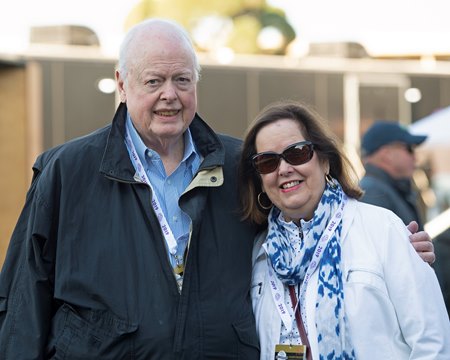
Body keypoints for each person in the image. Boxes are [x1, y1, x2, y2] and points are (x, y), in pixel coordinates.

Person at [0, 19, 435, 359]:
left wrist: (392, 250)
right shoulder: (66, 171)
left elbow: (302, 227)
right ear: (122, 83)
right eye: (154, 81)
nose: (170, 95)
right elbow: (23, 305)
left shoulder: (240, 163)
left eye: (183, 80)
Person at [238, 100, 450, 359]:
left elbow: (433, 342)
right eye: (267, 162)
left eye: (297, 153)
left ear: (325, 161)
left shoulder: (382, 229)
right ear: (259, 178)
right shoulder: (258, 253)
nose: (283, 169)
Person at [359, 120, 427, 229]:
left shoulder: (386, 189)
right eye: (409, 149)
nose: (415, 158)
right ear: (387, 154)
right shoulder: (372, 192)